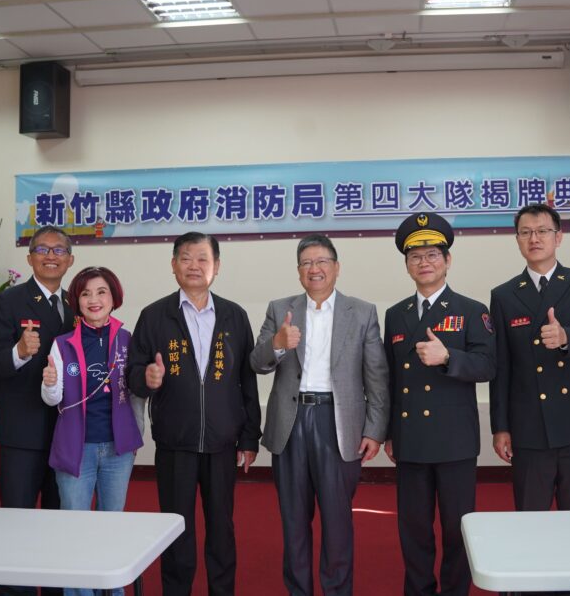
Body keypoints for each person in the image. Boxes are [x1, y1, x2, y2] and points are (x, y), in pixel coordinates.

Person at [250, 234, 389, 596]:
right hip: (290, 423)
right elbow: (257, 362)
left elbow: (376, 375)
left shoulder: (362, 312)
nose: (314, 268)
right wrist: (277, 344)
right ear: (298, 271)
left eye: (322, 261)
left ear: (336, 267)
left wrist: (375, 429)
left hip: (338, 424)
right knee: (294, 521)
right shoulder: (280, 309)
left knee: (337, 522)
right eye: (306, 263)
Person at [126, 232, 260, 596]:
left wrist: (249, 437)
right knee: (175, 530)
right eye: (185, 258)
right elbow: (133, 373)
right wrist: (146, 378)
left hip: (222, 443)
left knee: (221, 529)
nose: (194, 266)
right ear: (173, 266)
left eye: (203, 258)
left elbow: (246, 380)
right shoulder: (155, 315)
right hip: (175, 442)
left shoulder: (234, 316)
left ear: (217, 266)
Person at [382, 213, 495, 596]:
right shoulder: (396, 314)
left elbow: (488, 366)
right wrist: (389, 432)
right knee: (413, 528)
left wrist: (448, 357)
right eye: (415, 256)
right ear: (406, 265)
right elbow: (391, 378)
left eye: (432, 254)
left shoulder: (472, 310)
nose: (424, 262)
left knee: (455, 527)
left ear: (448, 261)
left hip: (454, 442)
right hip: (411, 439)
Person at [488, 203, 570, 511]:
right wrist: (500, 427)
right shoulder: (504, 295)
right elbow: (501, 366)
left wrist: (567, 337)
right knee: (531, 518)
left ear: (559, 237)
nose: (534, 238)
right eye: (525, 232)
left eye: (542, 231)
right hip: (529, 427)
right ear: (517, 240)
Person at [41, 266, 144, 596]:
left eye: (101, 292)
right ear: (77, 301)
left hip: (118, 449)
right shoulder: (62, 344)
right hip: (76, 448)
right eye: (85, 293)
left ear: (114, 297)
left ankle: (112, 591)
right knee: (75, 530)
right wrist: (50, 383)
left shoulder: (127, 340)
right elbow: (52, 399)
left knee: (111, 527)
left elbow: (138, 390)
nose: (94, 299)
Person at [0, 225, 75, 596]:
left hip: (67, 434)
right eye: (42, 249)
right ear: (29, 257)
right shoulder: (8, 302)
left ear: (70, 260)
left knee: (59, 526)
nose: (51, 256)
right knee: (17, 525)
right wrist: (19, 353)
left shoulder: (77, 304)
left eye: (59, 250)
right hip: (22, 434)